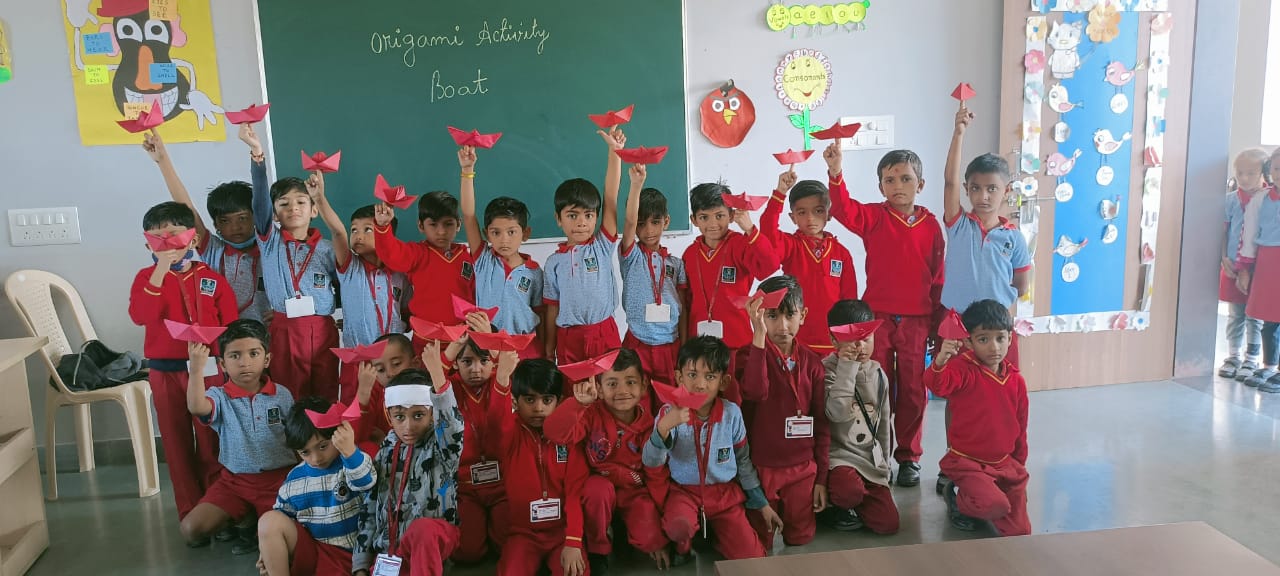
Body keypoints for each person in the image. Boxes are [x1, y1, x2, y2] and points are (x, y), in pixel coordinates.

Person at [824, 141, 945, 488]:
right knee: (875, 388)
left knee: (912, 392)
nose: (898, 186)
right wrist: (835, 172)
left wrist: (936, 322)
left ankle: (909, 457)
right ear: (880, 187)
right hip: (876, 320)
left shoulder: (931, 226)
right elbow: (845, 210)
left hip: (917, 321)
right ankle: (877, 452)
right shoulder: (875, 217)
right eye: (889, 180)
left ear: (920, 185)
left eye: (906, 179)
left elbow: (938, 277)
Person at [127, 201, 237, 530]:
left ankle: (218, 509)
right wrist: (161, 270)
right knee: (175, 442)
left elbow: (229, 324)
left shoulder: (211, 278)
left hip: (207, 370)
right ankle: (190, 513)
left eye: (173, 236)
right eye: (158, 239)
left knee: (212, 440)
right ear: (147, 243)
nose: (167, 244)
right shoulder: (146, 278)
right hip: (164, 371)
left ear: (191, 239)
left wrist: (226, 363)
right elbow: (141, 316)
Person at [642, 336, 782, 561]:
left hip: (724, 495)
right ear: (679, 378)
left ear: (723, 382)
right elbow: (650, 462)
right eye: (692, 375)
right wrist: (664, 427)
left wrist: (762, 503)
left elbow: (743, 461)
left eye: (710, 376)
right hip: (684, 492)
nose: (700, 384)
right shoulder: (669, 412)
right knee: (679, 526)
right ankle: (684, 545)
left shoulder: (732, 413)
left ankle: (715, 536)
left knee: (751, 557)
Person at [544, 348, 669, 573]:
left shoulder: (651, 425)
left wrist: (662, 531)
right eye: (612, 383)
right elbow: (555, 433)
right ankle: (598, 549)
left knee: (650, 538)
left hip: (634, 491)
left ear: (643, 386)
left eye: (630, 382)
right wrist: (578, 404)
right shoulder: (590, 413)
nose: (621, 391)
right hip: (600, 488)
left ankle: (623, 529)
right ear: (599, 389)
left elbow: (656, 473)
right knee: (596, 492)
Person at [181, 320, 298, 549]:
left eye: (253, 353)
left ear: (266, 359)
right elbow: (197, 407)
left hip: (278, 481)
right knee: (191, 530)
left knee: (277, 538)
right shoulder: (219, 395)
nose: (245, 363)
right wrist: (196, 370)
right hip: (234, 482)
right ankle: (244, 518)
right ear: (223, 364)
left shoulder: (282, 395)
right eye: (235, 356)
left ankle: (251, 523)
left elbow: (297, 439)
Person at [243, 125, 340, 400]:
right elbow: (259, 202)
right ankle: (292, 444)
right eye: (283, 204)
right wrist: (257, 156)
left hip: (322, 328)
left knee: (325, 394)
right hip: (284, 330)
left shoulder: (327, 250)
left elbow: (343, 285)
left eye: (301, 202)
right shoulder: (270, 241)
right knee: (289, 394)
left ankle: (324, 443)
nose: (293, 208)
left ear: (315, 209)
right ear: (274, 215)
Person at [736, 276, 829, 551]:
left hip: (802, 469)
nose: (782, 326)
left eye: (790, 315)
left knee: (801, 540)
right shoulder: (747, 355)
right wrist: (758, 336)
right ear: (759, 315)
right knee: (760, 543)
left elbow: (822, 424)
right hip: (762, 468)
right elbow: (755, 391)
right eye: (772, 316)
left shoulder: (813, 364)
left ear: (804, 315)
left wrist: (821, 478)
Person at [143, 131, 271, 324]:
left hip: (264, 336)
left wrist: (284, 313)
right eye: (225, 221)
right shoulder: (213, 250)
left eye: (243, 218)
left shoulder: (269, 248)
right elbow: (187, 209)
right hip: (223, 337)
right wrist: (163, 161)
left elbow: (262, 202)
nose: (235, 227)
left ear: (254, 217)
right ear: (216, 225)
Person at [926, 300, 1030, 536]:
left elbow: (1021, 427)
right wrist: (941, 358)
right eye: (983, 339)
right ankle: (958, 496)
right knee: (996, 505)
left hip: (1003, 463)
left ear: (1010, 338)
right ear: (968, 342)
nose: (994, 347)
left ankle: (988, 493)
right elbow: (937, 385)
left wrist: (1018, 465)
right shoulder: (963, 369)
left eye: (1000, 338)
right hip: (967, 462)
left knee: (1020, 531)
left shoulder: (1016, 380)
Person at [352, 361, 465, 576]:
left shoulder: (442, 446)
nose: (408, 426)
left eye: (418, 415)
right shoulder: (384, 451)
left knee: (423, 529)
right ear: (389, 417)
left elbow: (453, 428)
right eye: (400, 417)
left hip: (434, 538)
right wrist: (361, 564)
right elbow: (370, 505)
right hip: (391, 554)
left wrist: (439, 382)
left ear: (433, 414)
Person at [940, 103, 1031, 363]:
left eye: (992, 188)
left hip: (996, 327)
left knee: (997, 388)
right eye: (976, 188)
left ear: (1007, 191)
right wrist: (959, 133)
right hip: (958, 323)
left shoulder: (1013, 237)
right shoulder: (958, 225)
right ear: (967, 189)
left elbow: (1021, 286)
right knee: (957, 386)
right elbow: (949, 182)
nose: (983, 196)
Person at [256, 397, 377, 576]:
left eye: (322, 446)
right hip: (317, 554)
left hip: (359, 554)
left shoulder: (353, 461)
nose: (316, 458)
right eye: (305, 452)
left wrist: (350, 451)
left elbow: (366, 481)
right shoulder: (294, 479)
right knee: (268, 521)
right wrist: (267, 550)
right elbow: (280, 518)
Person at [498, 359, 589, 576]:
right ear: (515, 401)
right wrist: (501, 381)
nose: (538, 408)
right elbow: (499, 418)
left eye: (546, 400)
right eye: (529, 399)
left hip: (562, 533)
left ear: (559, 402)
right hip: (522, 534)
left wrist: (574, 541)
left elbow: (575, 493)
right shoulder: (510, 435)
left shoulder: (569, 439)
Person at [543, 129, 627, 364]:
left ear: (596, 217)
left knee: (609, 393)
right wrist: (549, 351)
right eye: (572, 215)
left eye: (589, 215)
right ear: (558, 219)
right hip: (569, 338)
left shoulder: (601, 246)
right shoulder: (553, 263)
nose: (581, 222)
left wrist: (614, 152)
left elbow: (611, 195)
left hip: (604, 333)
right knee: (575, 395)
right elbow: (551, 309)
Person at [459, 145, 545, 359]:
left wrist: (546, 352)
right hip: (485, 346)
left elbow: (541, 314)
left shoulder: (534, 272)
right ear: (486, 234)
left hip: (524, 347)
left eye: (511, 232)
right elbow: (468, 215)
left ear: (525, 234)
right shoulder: (483, 259)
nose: (503, 239)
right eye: (495, 232)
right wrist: (467, 170)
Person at [759, 169, 857, 355]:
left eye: (818, 211)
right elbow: (767, 232)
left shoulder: (841, 253)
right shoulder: (790, 246)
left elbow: (849, 301)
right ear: (792, 217)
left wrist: (846, 339)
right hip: (797, 340)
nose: (810, 218)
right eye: (802, 212)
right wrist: (780, 193)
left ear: (829, 214)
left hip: (832, 342)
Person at [372, 179, 476, 354]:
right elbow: (392, 255)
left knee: (458, 382)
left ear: (458, 224)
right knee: (426, 381)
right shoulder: (417, 253)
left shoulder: (468, 256)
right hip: (427, 342)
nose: (441, 231)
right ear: (421, 225)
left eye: (448, 224)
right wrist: (383, 226)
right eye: (433, 225)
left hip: (461, 340)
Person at [822, 300, 898, 534]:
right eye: (852, 341)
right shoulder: (826, 370)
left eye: (866, 339)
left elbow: (884, 424)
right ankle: (836, 505)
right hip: (839, 458)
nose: (861, 347)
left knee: (888, 524)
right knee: (848, 490)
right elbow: (837, 413)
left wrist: (884, 462)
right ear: (834, 340)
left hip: (869, 459)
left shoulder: (879, 374)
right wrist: (847, 366)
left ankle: (854, 502)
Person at [681, 184, 781, 354]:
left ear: (732, 215)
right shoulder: (690, 254)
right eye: (704, 217)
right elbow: (687, 301)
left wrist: (750, 229)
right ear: (694, 220)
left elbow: (769, 267)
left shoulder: (741, 244)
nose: (713, 224)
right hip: (699, 344)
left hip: (737, 343)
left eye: (719, 216)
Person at [447, 333, 517, 565]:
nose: (476, 369)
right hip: (466, 487)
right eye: (467, 361)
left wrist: (502, 375)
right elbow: (428, 383)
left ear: (494, 361)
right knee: (467, 553)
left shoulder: (504, 379)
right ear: (455, 362)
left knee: (508, 545)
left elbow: (501, 424)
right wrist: (448, 353)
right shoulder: (449, 387)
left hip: (503, 484)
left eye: (484, 361)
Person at [327, 204, 408, 403]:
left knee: (393, 412)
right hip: (358, 362)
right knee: (355, 416)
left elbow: (406, 313)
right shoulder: (350, 266)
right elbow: (337, 233)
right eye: (354, 230)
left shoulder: (401, 274)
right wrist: (319, 198)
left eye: (367, 229)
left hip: (392, 363)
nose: (358, 236)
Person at [618, 164, 687, 380]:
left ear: (666, 222)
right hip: (637, 344)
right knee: (638, 403)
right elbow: (628, 221)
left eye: (655, 222)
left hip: (671, 346)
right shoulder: (630, 256)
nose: (649, 230)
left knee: (669, 404)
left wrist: (684, 348)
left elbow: (683, 308)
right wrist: (636, 185)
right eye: (642, 224)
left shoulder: (676, 264)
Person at [1219, 149, 1269, 381]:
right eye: (1240, 173)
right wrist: (1223, 258)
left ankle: (1252, 358)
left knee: (1255, 315)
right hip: (1232, 266)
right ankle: (1233, 355)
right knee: (1235, 313)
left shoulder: (1267, 200)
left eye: (1251, 173)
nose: (1245, 178)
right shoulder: (1230, 201)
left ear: (1263, 173)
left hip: (1259, 268)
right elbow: (1224, 231)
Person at [1235, 148, 1280, 392]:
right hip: (1267, 262)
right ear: (1269, 171)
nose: (1279, 173)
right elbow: (1249, 234)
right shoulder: (1261, 199)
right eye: (1275, 168)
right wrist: (1245, 269)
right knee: (1270, 317)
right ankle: (1269, 365)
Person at [351, 333, 419, 457]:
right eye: (381, 370)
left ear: (415, 363)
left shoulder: (426, 391)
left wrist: (389, 440)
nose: (390, 373)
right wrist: (363, 392)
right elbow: (356, 437)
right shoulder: (378, 395)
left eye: (397, 364)